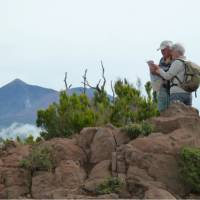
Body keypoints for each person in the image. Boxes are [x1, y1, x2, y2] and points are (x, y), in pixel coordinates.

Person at [148, 40, 173, 112]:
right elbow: (159, 72)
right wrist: (152, 68)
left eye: (163, 50)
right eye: (161, 50)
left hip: (173, 90)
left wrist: (156, 72)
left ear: (169, 48)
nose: (162, 52)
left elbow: (169, 75)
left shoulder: (175, 60)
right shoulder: (162, 60)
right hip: (162, 88)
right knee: (162, 111)